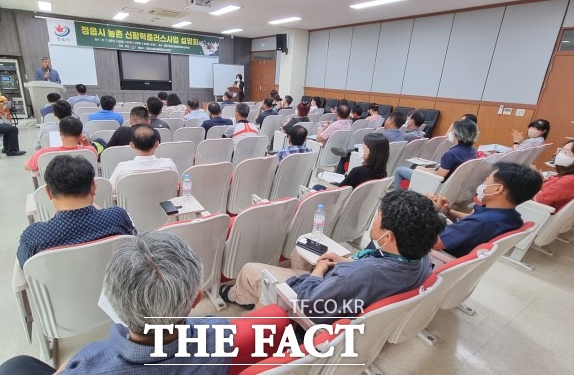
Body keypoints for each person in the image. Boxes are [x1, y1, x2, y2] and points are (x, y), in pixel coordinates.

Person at [1, 232, 231, 374]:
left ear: (114, 302)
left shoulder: (91, 359)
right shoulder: (221, 332)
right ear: (197, 299)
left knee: (14, 367)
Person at [220, 190, 444, 321]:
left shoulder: (354, 277)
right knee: (297, 253)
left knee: (250, 270)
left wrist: (318, 271)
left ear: (388, 236)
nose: (374, 219)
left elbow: (307, 306)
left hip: (312, 304)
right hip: (351, 293)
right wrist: (344, 261)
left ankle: (235, 295)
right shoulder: (421, 256)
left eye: (378, 215)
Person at [17, 155, 136, 267]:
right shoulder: (118, 217)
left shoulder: (34, 236)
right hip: (114, 285)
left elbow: (25, 267)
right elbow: (135, 246)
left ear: (48, 192)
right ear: (94, 187)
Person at [430, 162, 543, 257]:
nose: (483, 183)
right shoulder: (511, 217)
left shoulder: (481, 223)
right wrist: (448, 212)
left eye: (487, 181)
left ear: (497, 189)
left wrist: (428, 212)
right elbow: (472, 220)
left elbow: (433, 243)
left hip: (436, 255)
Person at [393, 119, 478, 188]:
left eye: (452, 130)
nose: (451, 133)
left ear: (458, 134)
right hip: (452, 186)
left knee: (400, 169)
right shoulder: (472, 151)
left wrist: (421, 169)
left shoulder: (451, 154)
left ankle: (398, 198)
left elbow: (439, 176)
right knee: (415, 166)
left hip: (435, 185)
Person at [109, 125, 177, 192]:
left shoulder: (122, 169)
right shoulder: (169, 165)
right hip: (163, 203)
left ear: (132, 145)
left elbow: (110, 190)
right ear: (156, 144)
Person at [25, 117, 97, 172]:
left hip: (55, 190)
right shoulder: (90, 150)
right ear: (81, 134)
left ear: (60, 133)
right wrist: (86, 144)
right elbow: (95, 158)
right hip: (83, 190)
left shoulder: (44, 153)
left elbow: (27, 166)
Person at [534, 139, 574, 212]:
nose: (561, 154)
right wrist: (542, 180)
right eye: (562, 151)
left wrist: (536, 183)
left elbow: (540, 200)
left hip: (537, 211)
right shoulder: (567, 175)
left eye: (566, 152)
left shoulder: (570, 180)